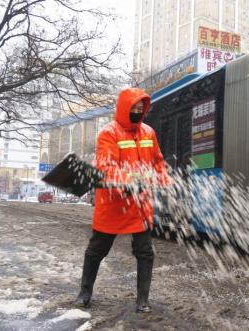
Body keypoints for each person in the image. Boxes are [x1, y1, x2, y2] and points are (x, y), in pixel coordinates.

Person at [74, 88, 171, 313]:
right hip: (113, 202)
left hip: (140, 203)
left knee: (145, 251)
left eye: (141, 108)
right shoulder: (109, 133)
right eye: (134, 108)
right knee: (97, 249)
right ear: (124, 108)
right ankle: (85, 292)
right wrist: (128, 183)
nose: (138, 112)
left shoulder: (149, 132)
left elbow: (158, 161)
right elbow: (106, 168)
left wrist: (162, 179)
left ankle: (142, 300)